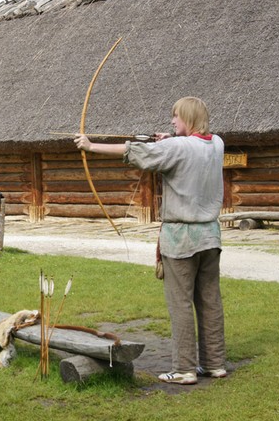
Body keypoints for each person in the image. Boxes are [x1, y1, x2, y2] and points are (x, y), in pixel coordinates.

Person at [74, 96, 226, 385]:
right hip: (210, 236)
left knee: (180, 304)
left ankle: (184, 369)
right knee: (210, 301)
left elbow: (135, 151)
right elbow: (192, 148)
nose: (172, 121)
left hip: (181, 238)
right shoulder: (217, 143)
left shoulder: (176, 147)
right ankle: (215, 363)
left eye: (176, 117)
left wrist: (90, 146)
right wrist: (170, 139)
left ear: (189, 118)